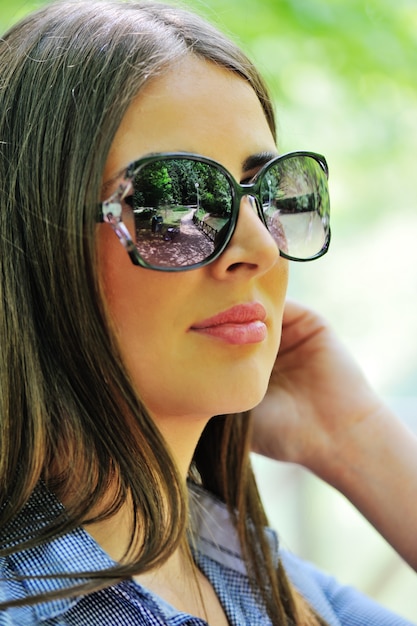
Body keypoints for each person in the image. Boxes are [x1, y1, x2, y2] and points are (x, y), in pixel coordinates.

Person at [0, 1, 416, 624]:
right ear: (37, 242)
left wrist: (354, 436)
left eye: (271, 191)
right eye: (177, 204)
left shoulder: (253, 571)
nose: (257, 247)